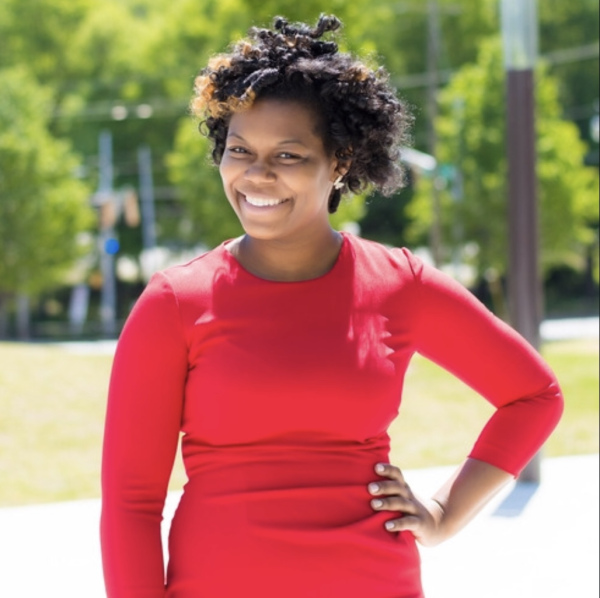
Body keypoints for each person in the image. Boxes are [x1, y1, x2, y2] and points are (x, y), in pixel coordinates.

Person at [100, 15, 563, 598]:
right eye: (239, 149)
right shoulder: (174, 303)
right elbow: (131, 504)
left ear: (339, 162)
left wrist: (444, 513)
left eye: (288, 155)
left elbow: (534, 396)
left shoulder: (401, 284)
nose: (256, 175)